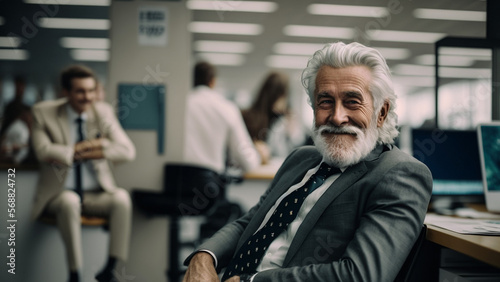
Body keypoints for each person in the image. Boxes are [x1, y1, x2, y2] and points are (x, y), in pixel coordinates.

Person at [182, 42, 433, 282]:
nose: (336, 117)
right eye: (325, 101)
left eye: (352, 101)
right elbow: (251, 221)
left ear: (381, 112)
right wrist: (204, 256)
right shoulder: (301, 158)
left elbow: (360, 276)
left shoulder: (399, 174)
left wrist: (252, 281)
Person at [30, 65, 136, 282]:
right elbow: (42, 151)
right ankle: (74, 274)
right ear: (66, 92)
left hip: (95, 194)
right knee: (70, 201)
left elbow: (127, 151)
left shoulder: (102, 111)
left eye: (90, 91)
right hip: (59, 194)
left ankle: (110, 270)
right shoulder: (43, 112)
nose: (87, 97)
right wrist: (75, 151)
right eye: (80, 91)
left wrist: (99, 145)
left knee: (122, 198)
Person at [183, 61, 262, 175]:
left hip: (174, 184)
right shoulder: (227, 108)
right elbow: (248, 160)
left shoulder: (178, 105)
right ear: (213, 81)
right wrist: (258, 156)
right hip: (209, 184)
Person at [242, 72, 305, 160]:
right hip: (254, 169)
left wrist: (292, 133)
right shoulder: (249, 117)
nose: (284, 101)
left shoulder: (287, 118)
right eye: (283, 95)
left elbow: (295, 146)